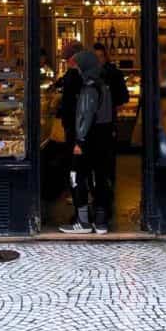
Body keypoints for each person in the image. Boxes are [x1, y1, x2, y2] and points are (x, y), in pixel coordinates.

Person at [59, 49, 114, 235]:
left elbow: (85, 116)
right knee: (100, 178)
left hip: (89, 138)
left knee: (77, 176)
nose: (77, 70)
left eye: (78, 66)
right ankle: (101, 221)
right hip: (103, 138)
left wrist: (80, 141)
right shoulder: (104, 85)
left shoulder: (89, 88)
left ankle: (82, 221)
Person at [92, 42, 129, 222]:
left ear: (105, 57)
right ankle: (101, 196)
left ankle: (104, 197)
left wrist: (111, 105)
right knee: (100, 160)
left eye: (100, 56)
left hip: (106, 124)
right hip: (96, 124)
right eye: (95, 57)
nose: (98, 60)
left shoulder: (113, 74)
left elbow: (123, 98)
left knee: (106, 159)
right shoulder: (88, 74)